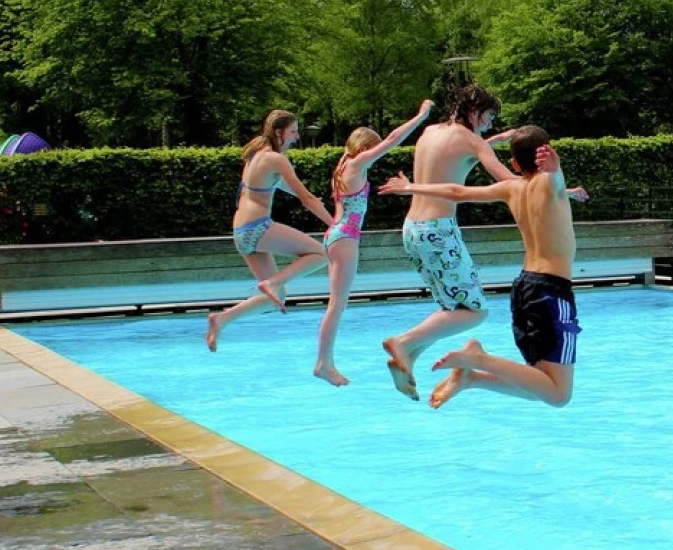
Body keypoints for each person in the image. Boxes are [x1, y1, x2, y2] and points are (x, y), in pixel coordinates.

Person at [379, 84, 584, 399]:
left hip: (413, 229)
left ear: (516, 163)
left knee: (452, 309)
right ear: (474, 112)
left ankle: (434, 362)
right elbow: (521, 178)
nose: (489, 125)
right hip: (443, 233)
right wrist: (559, 182)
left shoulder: (432, 132)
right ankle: (413, 345)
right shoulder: (520, 174)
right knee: (473, 311)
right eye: (489, 117)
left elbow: (457, 187)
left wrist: (410, 188)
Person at [313, 99, 436, 386]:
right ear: (365, 147)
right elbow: (393, 139)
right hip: (345, 236)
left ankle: (325, 362)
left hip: (336, 234)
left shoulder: (342, 165)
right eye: (374, 148)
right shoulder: (355, 164)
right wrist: (420, 116)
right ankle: (323, 364)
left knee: (336, 304)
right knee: (337, 305)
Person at [206, 110, 334, 351]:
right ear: (278, 132)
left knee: (277, 299)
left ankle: (222, 319)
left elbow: (279, 184)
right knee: (321, 253)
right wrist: (334, 224)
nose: (297, 137)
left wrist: (308, 197)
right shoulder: (276, 159)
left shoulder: (255, 155)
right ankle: (273, 282)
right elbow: (306, 199)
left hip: (242, 232)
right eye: (293, 131)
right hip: (257, 227)